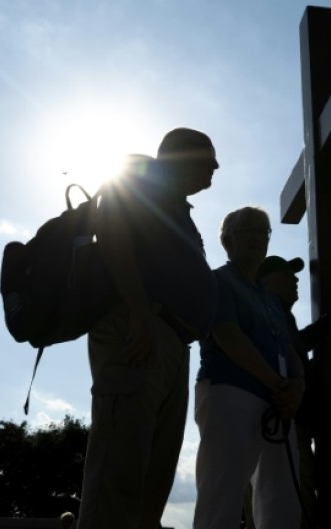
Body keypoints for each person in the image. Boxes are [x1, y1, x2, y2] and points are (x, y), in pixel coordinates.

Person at [77, 127, 219, 529]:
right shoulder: (138, 178)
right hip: (138, 329)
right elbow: (113, 232)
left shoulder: (177, 208)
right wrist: (138, 312)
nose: (215, 170)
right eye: (210, 161)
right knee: (119, 469)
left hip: (172, 341)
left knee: (152, 479)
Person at [194, 207, 305, 529]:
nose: (258, 237)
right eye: (248, 231)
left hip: (280, 402)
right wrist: (278, 384)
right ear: (227, 239)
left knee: (281, 496)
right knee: (222, 493)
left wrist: (298, 386)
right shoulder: (219, 280)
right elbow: (228, 335)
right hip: (231, 390)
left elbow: (290, 351)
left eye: (264, 232)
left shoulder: (270, 299)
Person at [255, 255, 331, 529]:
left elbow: (296, 344)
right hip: (278, 420)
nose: (295, 279)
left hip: (288, 422)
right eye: (286, 273)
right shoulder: (263, 309)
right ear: (265, 280)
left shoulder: (281, 315)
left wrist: (330, 321)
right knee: (290, 497)